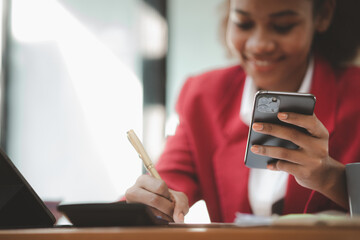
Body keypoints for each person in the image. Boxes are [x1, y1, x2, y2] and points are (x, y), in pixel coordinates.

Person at [125, 0, 360, 223]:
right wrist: (149, 202)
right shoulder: (203, 97)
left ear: (323, 15)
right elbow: (167, 186)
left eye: (282, 27)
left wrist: (332, 179)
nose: (259, 44)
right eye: (243, 24)